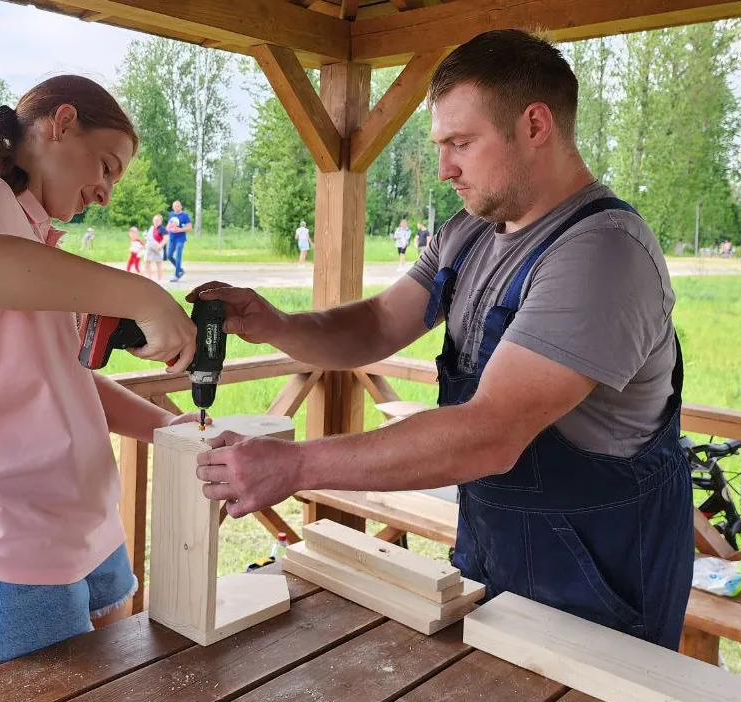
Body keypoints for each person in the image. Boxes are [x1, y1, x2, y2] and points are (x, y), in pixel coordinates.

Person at [189, 30, 693, 650]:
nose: (445, 167)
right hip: (496, 550)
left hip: (600, 588)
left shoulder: (603, 254)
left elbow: (491, 433)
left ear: (535, 124)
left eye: (461, 143)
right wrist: (272, 324)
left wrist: (295, 465)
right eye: (441, 145)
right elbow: (376, 324)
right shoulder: (472, 233)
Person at [0, 75, 200, 684]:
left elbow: (65, 378)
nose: (105, 191)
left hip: (86, 527)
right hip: (3, 540)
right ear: (60, 122)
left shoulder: (33, 232)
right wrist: (143, 294)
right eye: (107, 165)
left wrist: (174, 429)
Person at [166, 199, 192, 282]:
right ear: (173, 207)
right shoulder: (171, 214)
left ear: (181, 206)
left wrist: (179, 230)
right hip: (172, 238)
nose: (176, 207)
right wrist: (169, 228)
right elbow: (168, 226)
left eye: (178, 206)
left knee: (178, 255)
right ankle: (180, 269)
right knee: (169, 255)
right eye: (174, 206)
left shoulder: (184, 215)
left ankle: (176, 275)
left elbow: (189, 227)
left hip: (180, 238)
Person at [144, 214, 168, 282]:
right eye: (155, 220)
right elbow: (148, 238)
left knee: (159, 265)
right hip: (150, 248)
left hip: (158, 249)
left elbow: (166, 238)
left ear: (161, 221)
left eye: (157, 220)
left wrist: (160, 245)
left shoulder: (162, 228)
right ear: (153, 220)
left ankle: (159, 280)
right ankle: (149, 279)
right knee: (146, 263)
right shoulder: (151, 228)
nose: (156, 221)